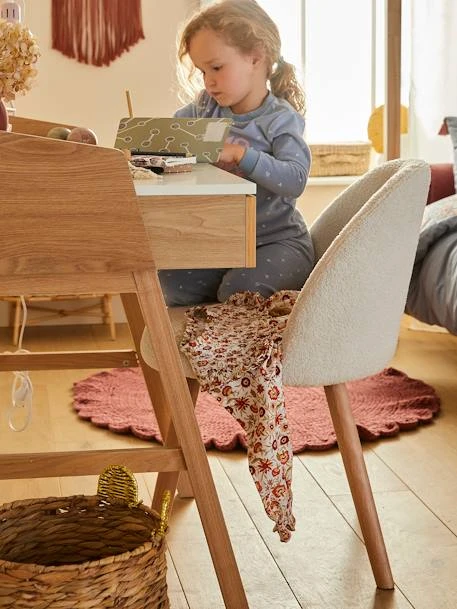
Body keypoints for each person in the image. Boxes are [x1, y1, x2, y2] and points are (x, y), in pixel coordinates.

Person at [160, 0, 314, 306]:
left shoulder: (280, 119)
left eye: (216, 68)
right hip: (221, 241)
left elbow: (295, 179)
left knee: (239, 293)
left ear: (256, 58)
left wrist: (242, 155)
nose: (208, 81)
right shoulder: (204, 109)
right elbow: (168, 138)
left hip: (276, 243)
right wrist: (143, 148)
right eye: (202, 71)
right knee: (169, 283)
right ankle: (210, 324)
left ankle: (233, 320)